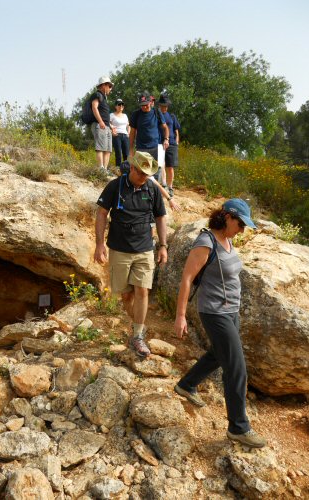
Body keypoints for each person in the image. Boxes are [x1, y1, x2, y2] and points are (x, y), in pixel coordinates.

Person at [174, 199, 267, 448]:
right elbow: (187, 278)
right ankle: (239, 427)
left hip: (231, 310)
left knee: (218, 354)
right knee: (236, 368)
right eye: (240, 223)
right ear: (227, 216)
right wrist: (180, 315)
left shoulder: (228, 239)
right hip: (214, 312)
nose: (242, 229)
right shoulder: (206, 242)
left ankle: (186, 384)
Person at [94, 151, 168, 357]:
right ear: (132, 168)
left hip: (144, 249)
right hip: (119, 249)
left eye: (147, 174)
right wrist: (99, 244)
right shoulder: (115, 186)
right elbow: (101, 214)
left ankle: (137, 335)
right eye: (141, 173)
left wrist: (163, 245)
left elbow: (161, 217)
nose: (144, 177)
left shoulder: (152, 189)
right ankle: (138, 324)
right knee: (126, 295)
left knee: (142, 291)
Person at [129, 91, 169, 182]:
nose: (144, 107)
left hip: (155, 147)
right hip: (141, 148)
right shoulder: (136, 114)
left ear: (150, 102)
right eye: (142, 105)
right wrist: (130, 149)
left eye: (146, 104)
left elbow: (165, 127)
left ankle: (154, 192)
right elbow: (132, 132)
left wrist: (166, 139)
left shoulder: (156, 112)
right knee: (142, 172)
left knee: (155, 172)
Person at [158, 93, 180, 198]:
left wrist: (176, 141)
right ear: (159, 105)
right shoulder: (156, 115)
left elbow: (176, 130)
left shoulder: (172, 116)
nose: (165, 108)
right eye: (163, 106)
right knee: (161, 165)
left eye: (166, 106)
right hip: (159, 143)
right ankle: (164, 185)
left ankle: (170, 187)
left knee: (170, 166)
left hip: (171, 143)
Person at [91, 76, 114, 175]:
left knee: (108, 149)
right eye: (109, 86)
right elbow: (94, 107)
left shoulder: (104, 98)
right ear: (103, 85)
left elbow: (104, 113)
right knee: (100, 147)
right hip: (100, 125)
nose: (110, 88)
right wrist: (100, 121)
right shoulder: (97, 95)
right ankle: (101, 168)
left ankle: (104, 169)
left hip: (106, 126)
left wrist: (111, 126)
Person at [110, 98, 130, 167]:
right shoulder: (112, 115)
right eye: (119, 104)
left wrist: (128, 133)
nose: (121, 106)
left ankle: (126, 170)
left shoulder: (125, 115)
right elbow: (108, 124)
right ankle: (118, 169)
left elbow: (128, 125)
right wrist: (112, 130)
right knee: (118, 153)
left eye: (122, 105)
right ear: (115, 106)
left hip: (125, 135)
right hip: (117, 135)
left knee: (126, 154)